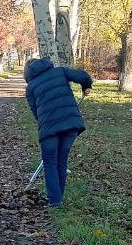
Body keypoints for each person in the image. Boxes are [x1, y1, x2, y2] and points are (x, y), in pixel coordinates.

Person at [24, 57, 93, 208]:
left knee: (50, 163)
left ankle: (55, 202)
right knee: (61, 162)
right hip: (70, 125)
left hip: (49, 129)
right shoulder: (60, 71)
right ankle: (57, 198)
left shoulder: (30, 88)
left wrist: (45, 121)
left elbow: (36, 113)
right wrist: (86, 86)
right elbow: (83, 76)